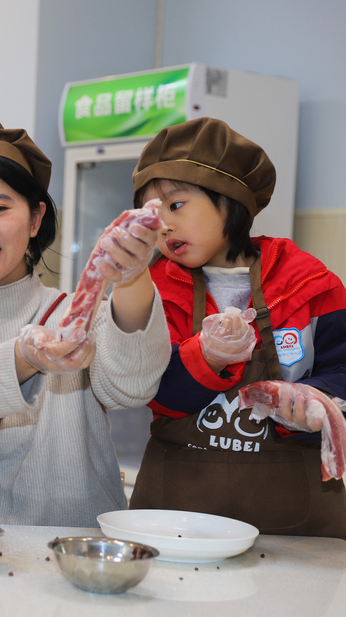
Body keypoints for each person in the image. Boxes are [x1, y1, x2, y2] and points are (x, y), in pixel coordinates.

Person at [0, 120, 170, 526]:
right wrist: (25, 355)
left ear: (36, 218)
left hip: (78, 553)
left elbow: (134, 386)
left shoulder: (79, 315)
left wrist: (131, 277)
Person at [128, 117, 346, 538]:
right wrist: (206, 357)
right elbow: (150, 388)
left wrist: (315, 398)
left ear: (231, 201)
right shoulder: (150, 290)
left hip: (295, 524)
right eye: (151, 213)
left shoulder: (310, 284)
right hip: (176, 519)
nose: (164, 225)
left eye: (176, 205)